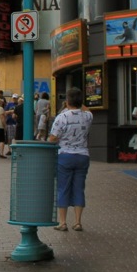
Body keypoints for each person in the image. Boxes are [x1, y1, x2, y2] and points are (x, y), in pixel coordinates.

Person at [49, 87, 93, 232]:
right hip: (83, 156)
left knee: (63, 188)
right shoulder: (88, 116)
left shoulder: (62, 117)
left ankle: (62, 222)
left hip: (65, 156)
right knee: (79, 188)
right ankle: (78, 222)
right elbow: (86, 109)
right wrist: (79, 104)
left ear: (67, 101)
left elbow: (53, 138)